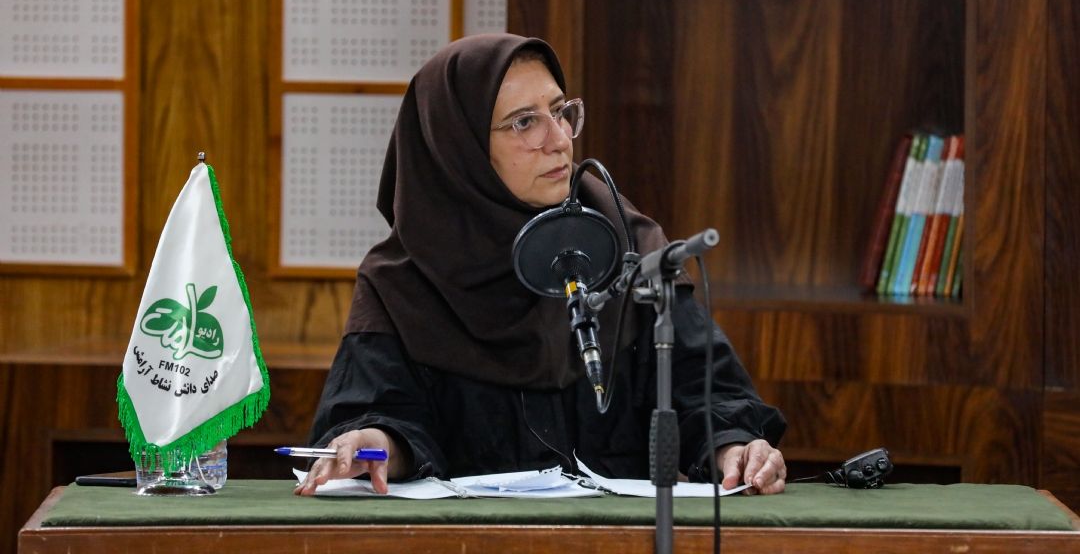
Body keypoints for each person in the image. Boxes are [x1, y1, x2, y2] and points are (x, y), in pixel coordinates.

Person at [295, 34, 787, 497]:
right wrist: (374, 444)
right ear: (458, 148)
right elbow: (381, 416)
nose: (559, 140)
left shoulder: (630, 245)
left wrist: (736, 447)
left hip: (616, 539)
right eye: (524, 122)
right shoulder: (401, 280)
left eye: (560, 111)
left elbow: (706, 394)